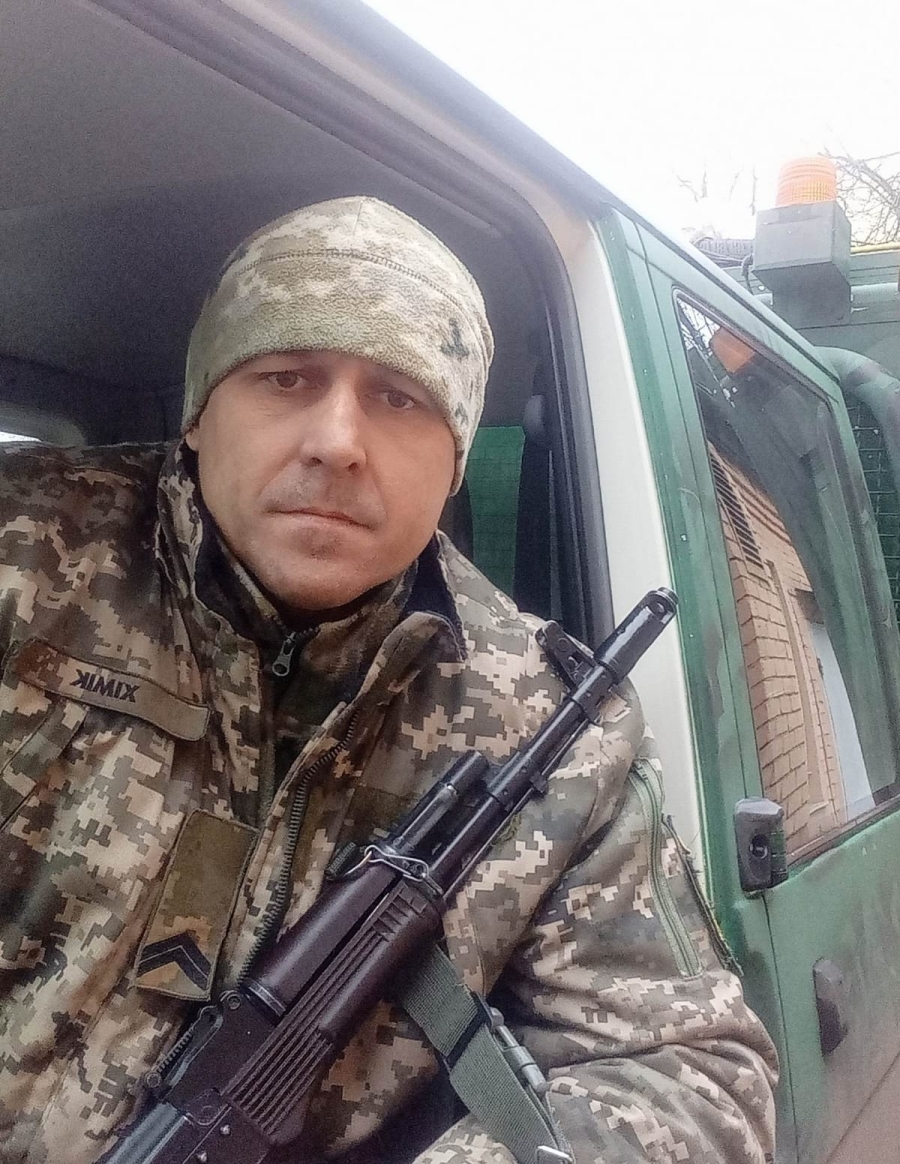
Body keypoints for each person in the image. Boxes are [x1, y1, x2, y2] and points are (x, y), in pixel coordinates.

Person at [0, 196, 777, 1164]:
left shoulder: (552, 725)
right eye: (286, 376)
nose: (337, 440)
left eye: (400, 398)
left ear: (455, 464)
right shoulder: (24, 561)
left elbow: (696, 1079)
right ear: (198, 416)